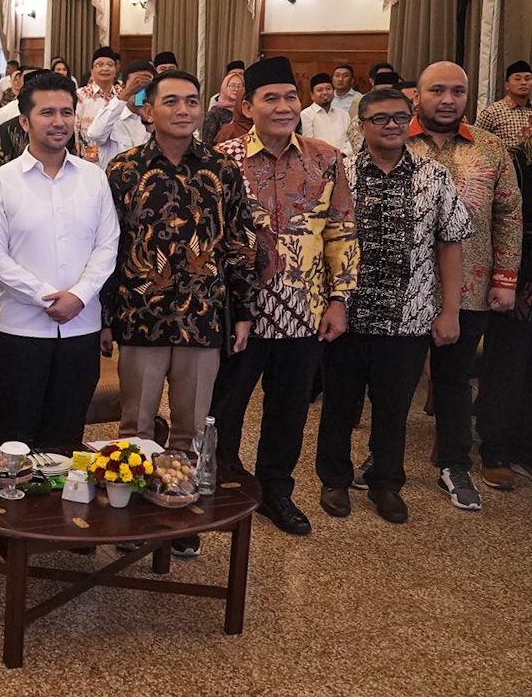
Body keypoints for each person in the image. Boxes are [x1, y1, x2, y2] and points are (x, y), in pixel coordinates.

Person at [104, 69, 257, 557]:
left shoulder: (222, 170)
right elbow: (107, 248)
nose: (185, 110)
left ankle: (179, 513)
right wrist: (106, 317)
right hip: (140, 317)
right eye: (171, 101)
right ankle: (132, 516)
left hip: (202, 317)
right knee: (137, 426)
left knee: (191, 428)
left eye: (192, 101)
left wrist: (243, 309)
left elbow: (239, 242)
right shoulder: (123, 170)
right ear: (148, 111)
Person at [211, 56, 358, 536]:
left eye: (289, 97)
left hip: (304, 310)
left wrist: (339, 299)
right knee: (225, 407)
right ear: (247, 106)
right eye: (269, 98)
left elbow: (341, 231)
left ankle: (276, 490)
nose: (282, 106)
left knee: (290, 409)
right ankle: (220, 489)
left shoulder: (326, 157)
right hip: (240, 313)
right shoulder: (224, 159)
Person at [315, 88, 472, 524]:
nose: (391, 126)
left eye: (400, 118)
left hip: (408, 316)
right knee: (340, 404)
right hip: (345, 312)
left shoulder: (433, 175)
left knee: (393, 408)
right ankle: (334, 478)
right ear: (362, 124)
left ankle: (386, 483)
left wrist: (450, 310)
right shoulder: (339, 172)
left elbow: (451, 242)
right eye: (380, 118)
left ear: (410, 121)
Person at [0, 72, 119, 448]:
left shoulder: (93, 178)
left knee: (67, 431)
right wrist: (46, 296)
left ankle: (63, 508)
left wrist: (80, 296)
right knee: (18, 436)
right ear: (24, 121)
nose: (59, 122)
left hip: (80, 327)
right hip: (22, 330)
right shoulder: (1, 182)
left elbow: (107, 245)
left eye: (67, 112)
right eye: (47, 112)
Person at [405, 62, 521, 509]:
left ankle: (454, 466)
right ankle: (384, 461)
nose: (448, 99)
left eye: (458, 91)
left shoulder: (491, 148)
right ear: (419, 95)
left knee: (454, 381)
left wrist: (506, 279)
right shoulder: (395, 141)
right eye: (438, 90)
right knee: (394, 382)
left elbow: (509, 216)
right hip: (404, 288)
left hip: (471, 285)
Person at [476, 129, 532, 490]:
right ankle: (496, 448)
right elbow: (506, 222)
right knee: (510, 361)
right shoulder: (517, 164)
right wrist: (514, 280)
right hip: (522, 272)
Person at [85, 60, 153, 168]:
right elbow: (95, 134)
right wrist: (126, 94)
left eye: (145, 88)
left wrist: (147, 118)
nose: (140, 92)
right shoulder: (112, 115)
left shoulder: (158, 119)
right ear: (124, 86)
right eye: (136, 85)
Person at [76, 46, 121, 159]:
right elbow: (75, 127)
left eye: (110, 65)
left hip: (117, 158)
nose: (105, 68)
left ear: (115, 70)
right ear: (92, 71)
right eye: (99, 65)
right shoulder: (81, 95)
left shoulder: (122, 96)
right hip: (87, 157)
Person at [475, 60, 532, 149]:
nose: (523, 82)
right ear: (507, 85)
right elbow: (475, 143)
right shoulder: (492, 112)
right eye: (517, 79)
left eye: (528, 79)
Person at [300, 73, 352, 154]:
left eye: (328, 89)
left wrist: (343, 154)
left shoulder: (343, 114)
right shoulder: (305, 115)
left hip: (344, 160)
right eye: (319, 90)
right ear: (312, 95)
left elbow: (350, 140)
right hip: (319, 162)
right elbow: (308, 143)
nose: (325, 93)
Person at [201, 68, 245, 144]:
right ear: (225, 87)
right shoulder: (215, 113)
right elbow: (207, 143)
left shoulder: (246, 111)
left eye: (239, 86)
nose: (236, 89)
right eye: (232, 85)